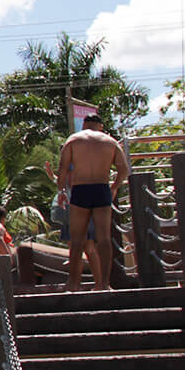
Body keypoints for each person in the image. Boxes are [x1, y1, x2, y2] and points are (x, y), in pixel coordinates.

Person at [58, 116, 130, 291]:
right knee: (104, 238)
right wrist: (114, 187)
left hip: (80, 189)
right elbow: (124, 169)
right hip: (101, 188)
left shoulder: (73, 140)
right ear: (101, 126)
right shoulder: (110, 142)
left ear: (84, 125)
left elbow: (63, 168)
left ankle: (73, 283)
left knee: (76, 240)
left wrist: (61, 191)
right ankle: (103, 284)